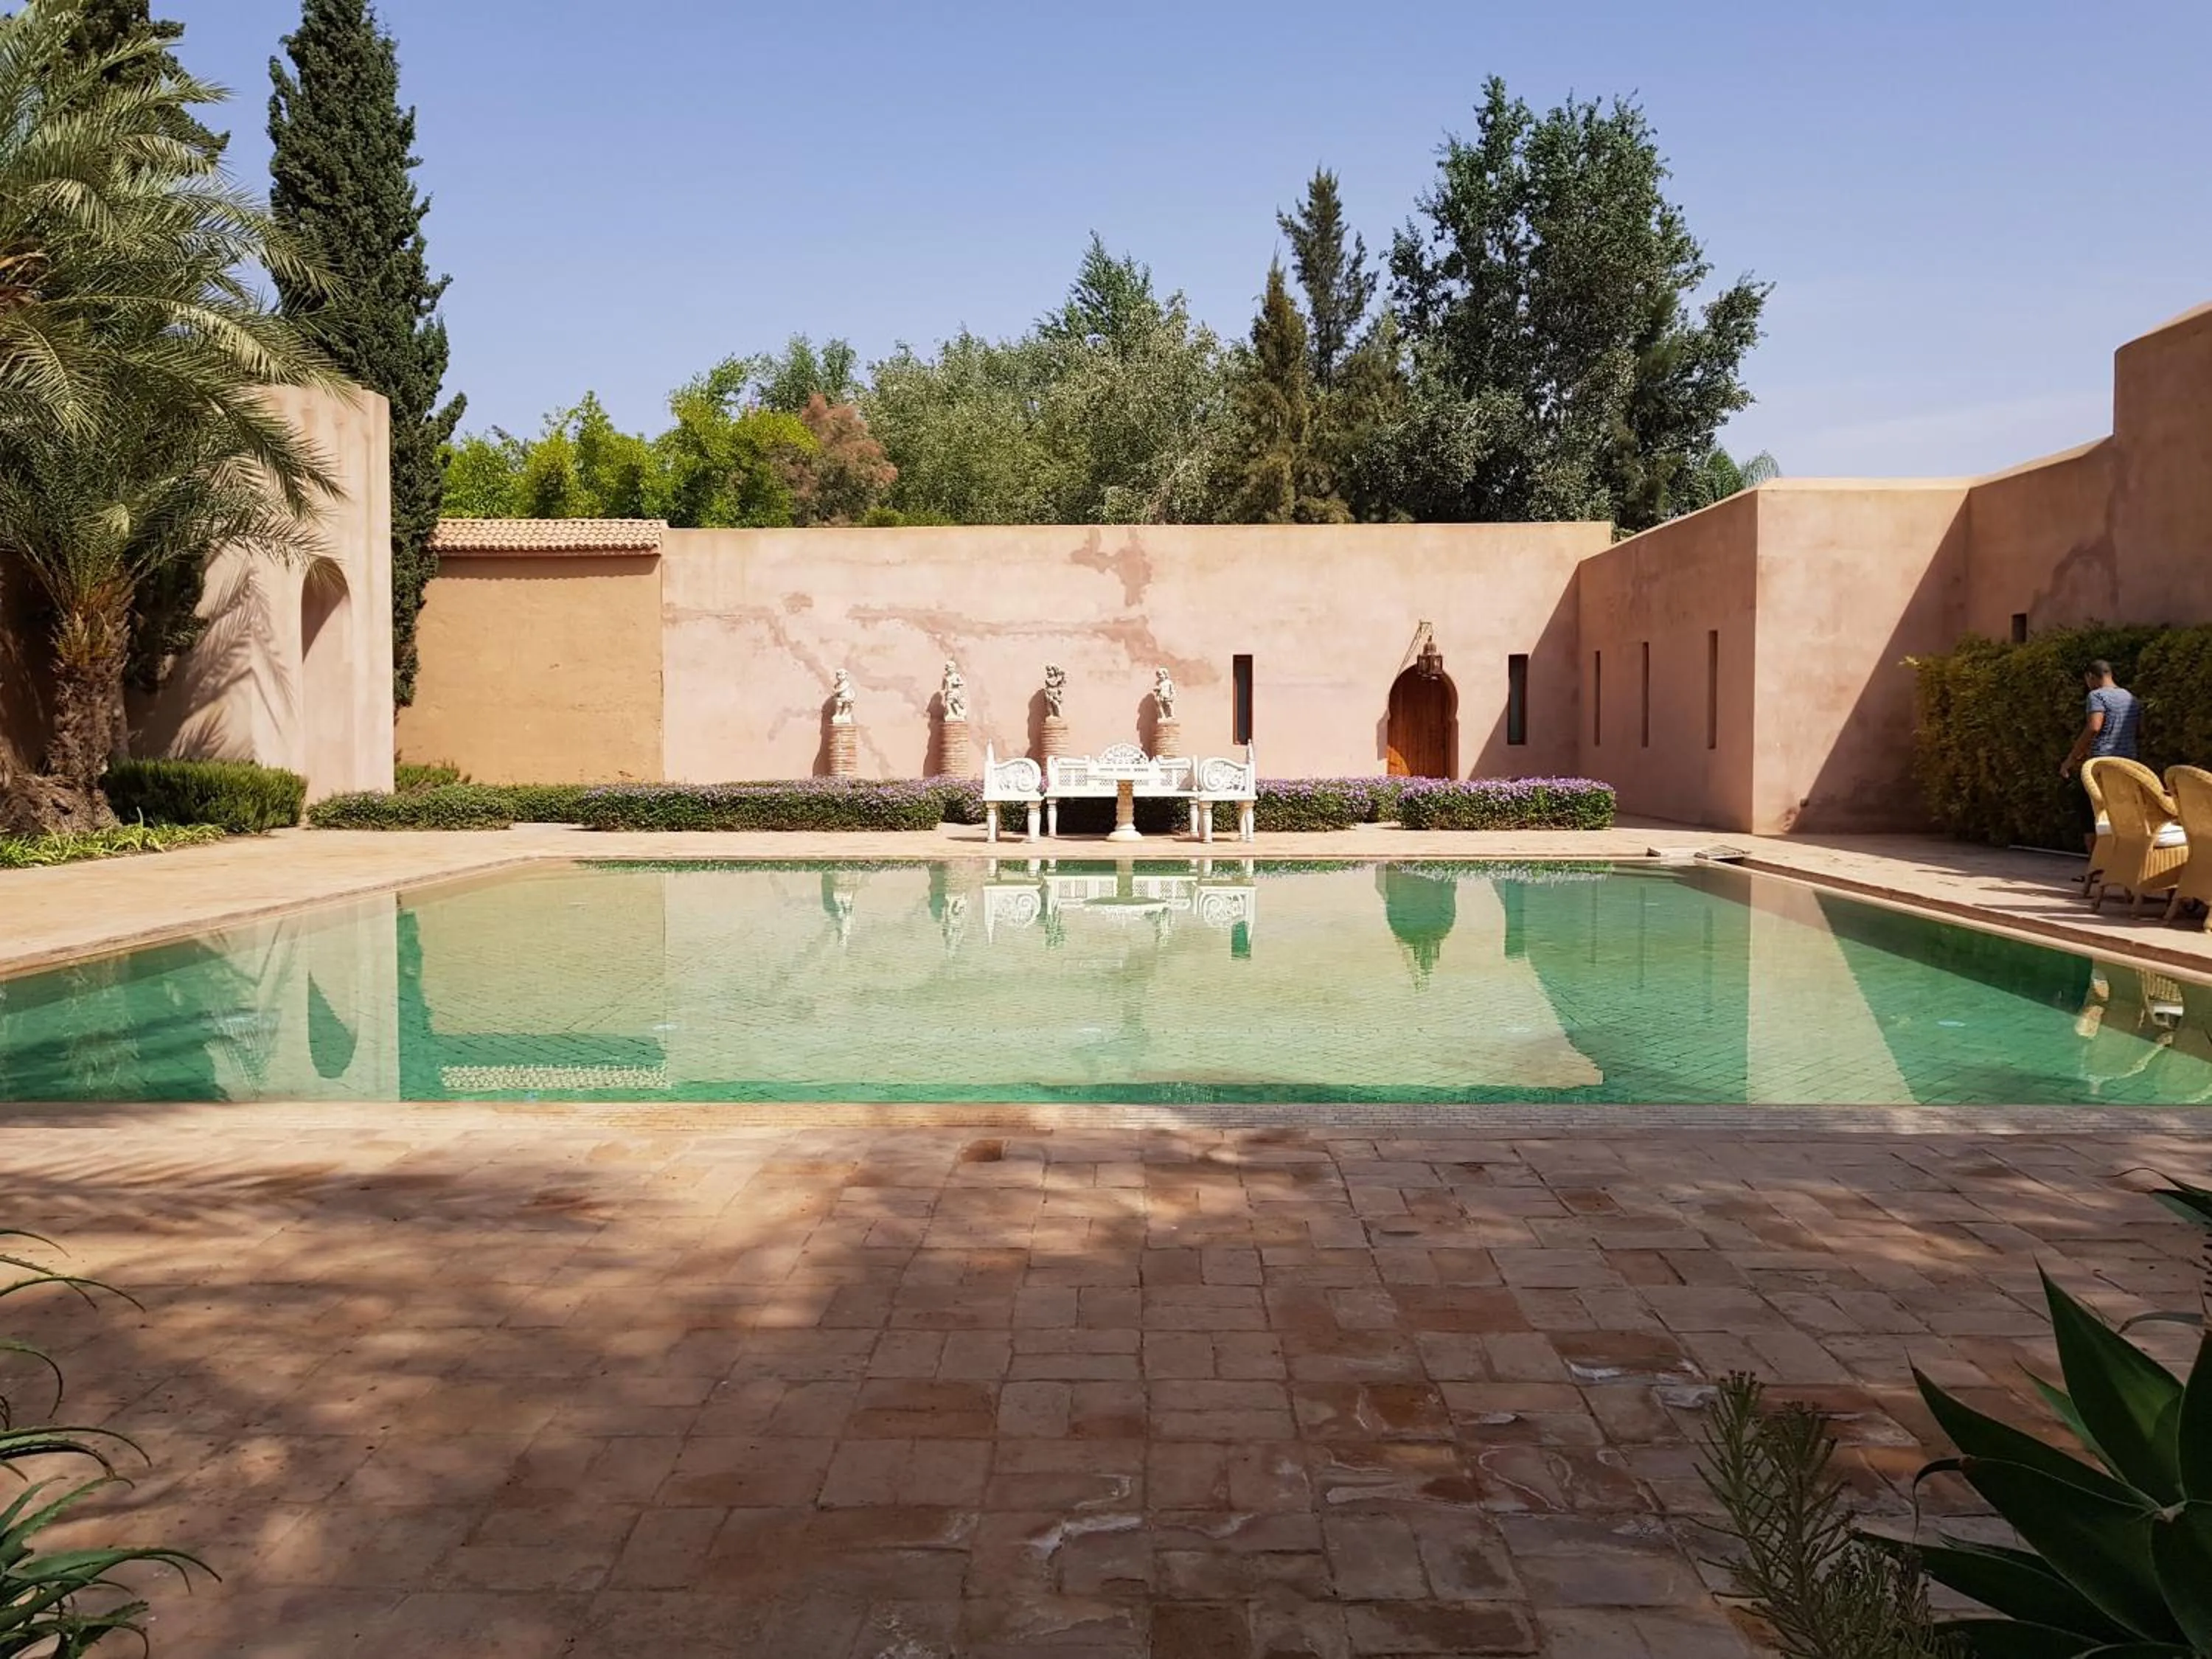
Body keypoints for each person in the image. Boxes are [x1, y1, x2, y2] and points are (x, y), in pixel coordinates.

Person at [2061, 658, 2143, 846]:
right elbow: (2140, 731)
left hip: (2101, 763)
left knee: (2089, 811)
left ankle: (2096, 865)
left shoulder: (2097, 696)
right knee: (2120, 811)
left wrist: (2072, 758)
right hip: (2128, 763)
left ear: (2091, 677)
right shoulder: (2131, 698)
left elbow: (2094, 727)